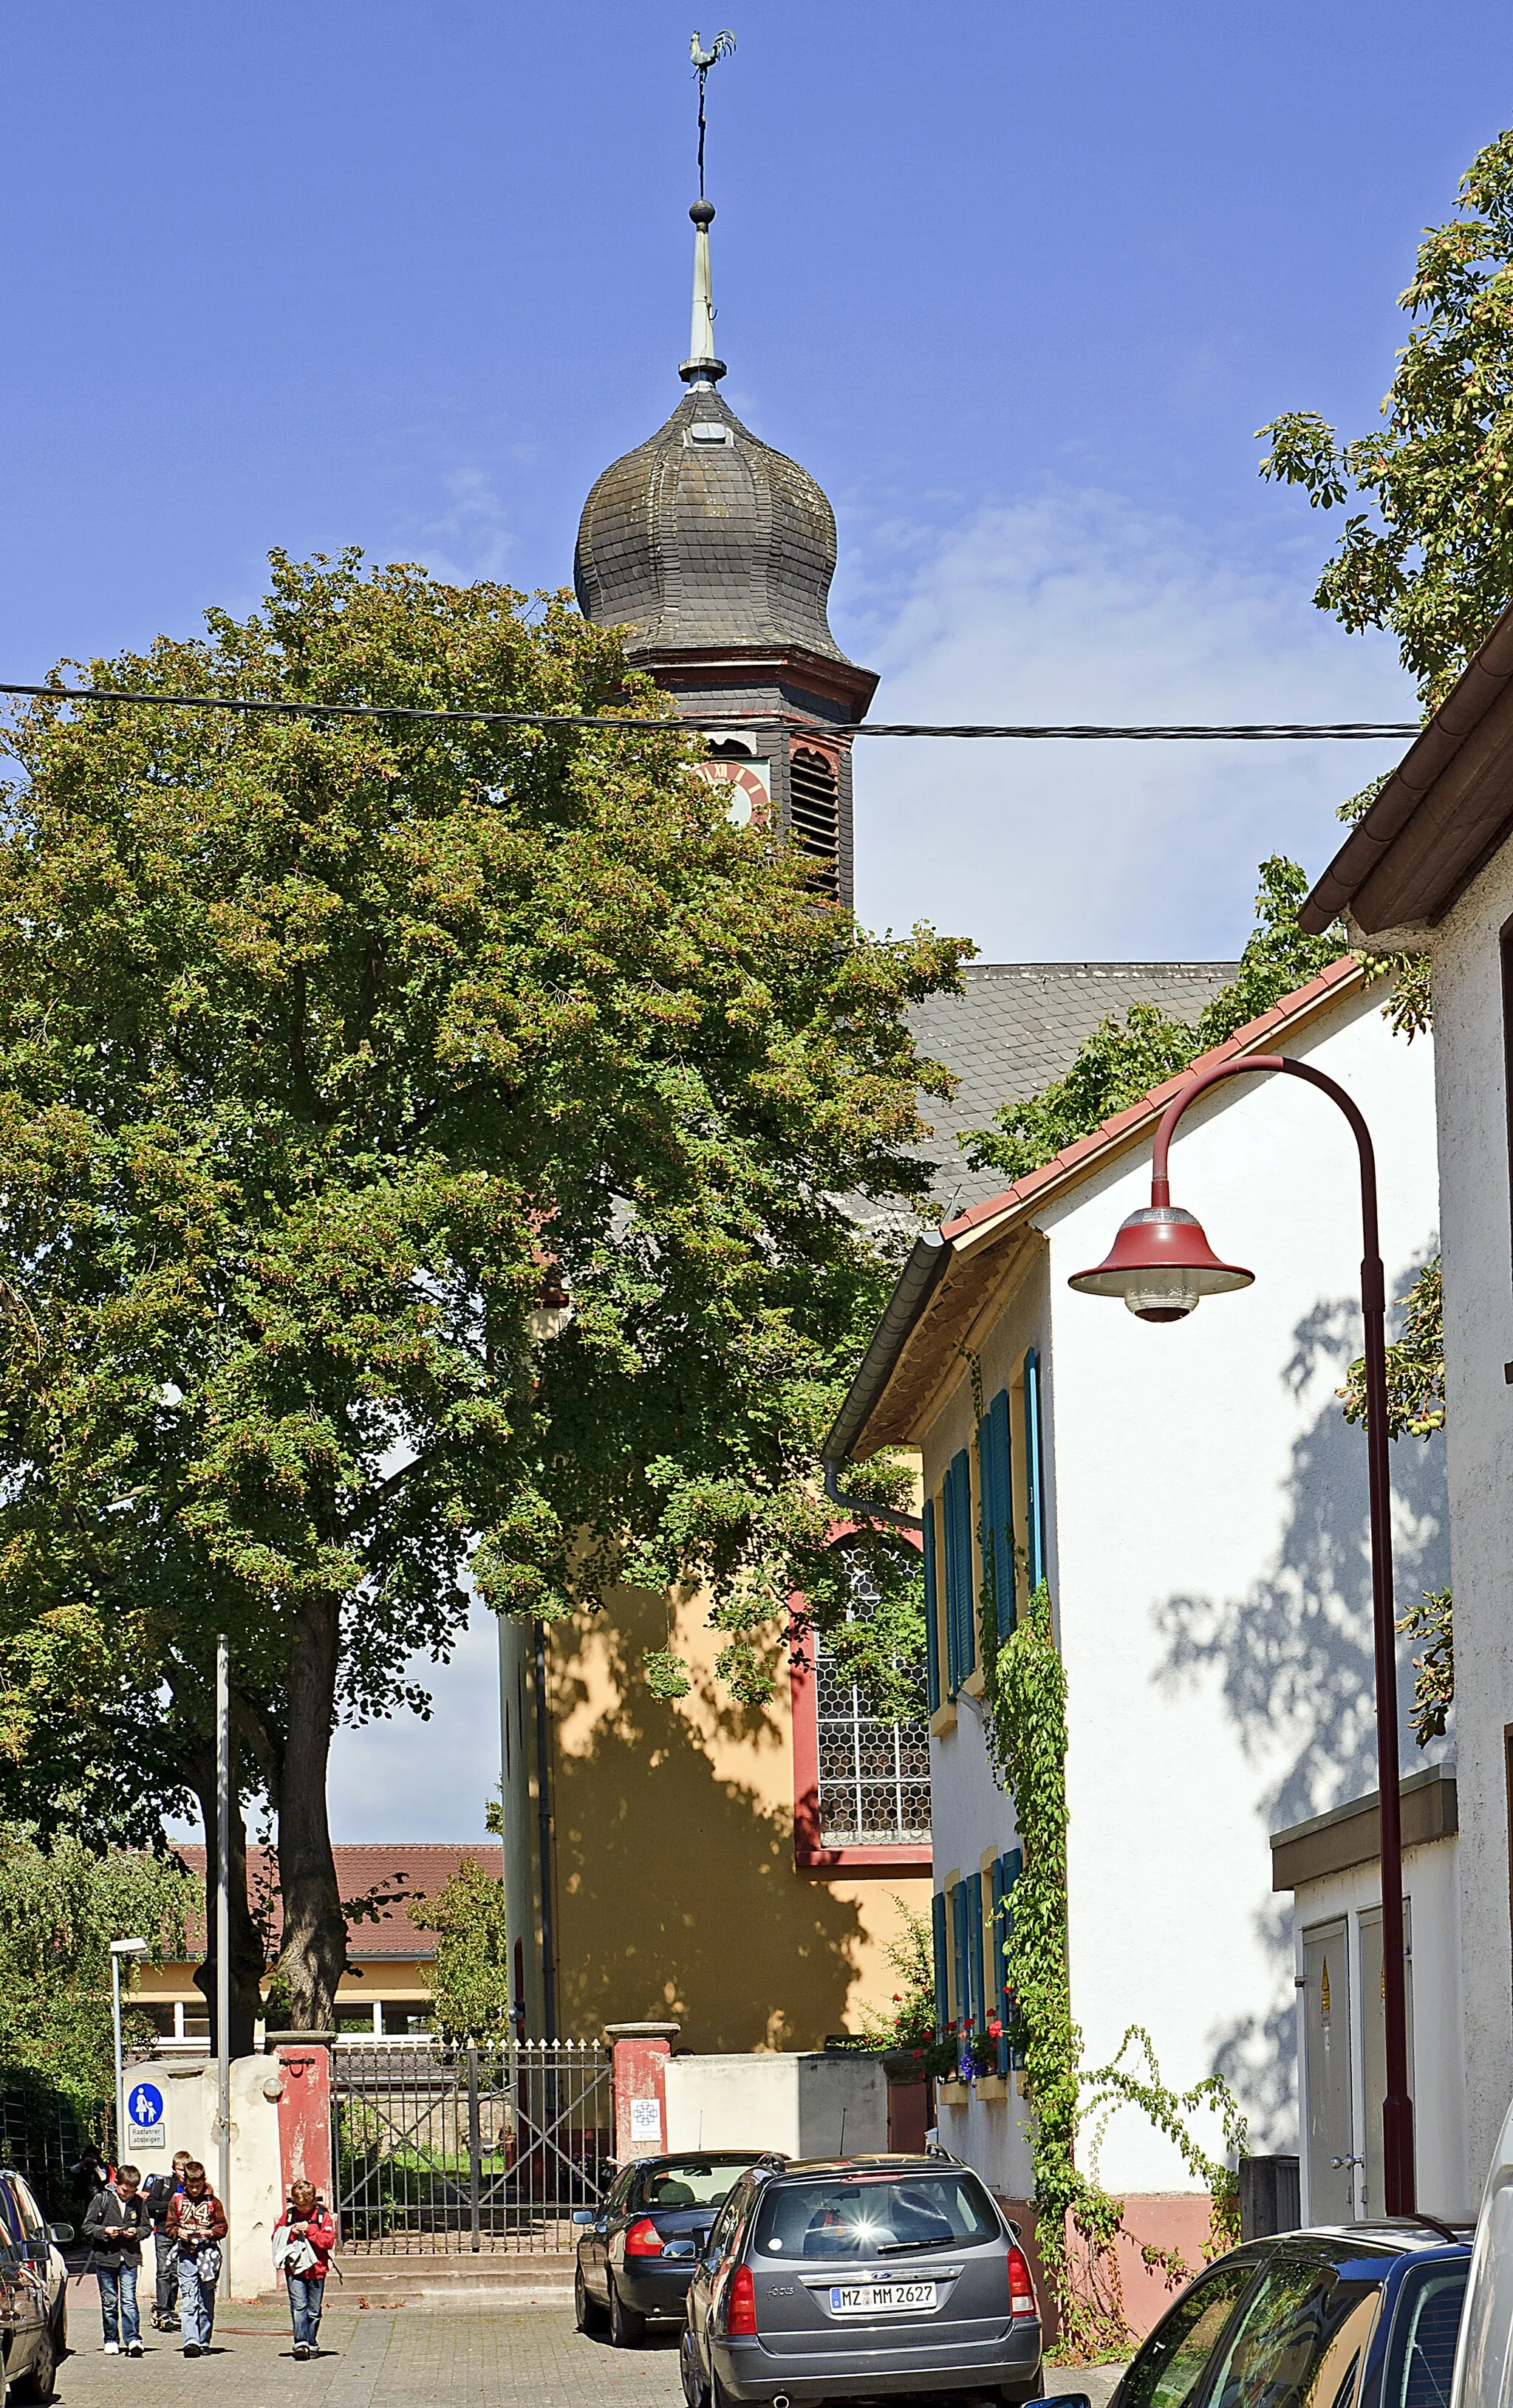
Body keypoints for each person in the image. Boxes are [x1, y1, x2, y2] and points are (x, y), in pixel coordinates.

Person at [83, 2162, 150, 2356]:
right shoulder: (101, 2199)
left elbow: (146, 2227)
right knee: (110, 2300)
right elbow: (87, 2226)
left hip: (129, 2257)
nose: (127, 2194)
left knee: (128, 2300)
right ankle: (111, 2338)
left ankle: (133, 2339)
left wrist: (136, 2232)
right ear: (116, 2183)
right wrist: (104, 2231)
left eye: (132, 2191)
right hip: (106, 2257)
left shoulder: (138, 2202)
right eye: (124, 2190)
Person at [165, 2159, 228, 2358]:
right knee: (189, 2298)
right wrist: (178, 2233)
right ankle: (190, 2341)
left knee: (206, 2299)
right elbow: (169, 2227)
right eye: (190, 2186)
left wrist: (208, 2233)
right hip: (186, 2255)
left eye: (197, 2186)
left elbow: (222, 2228)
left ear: (204, 2181)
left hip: (208, 2256)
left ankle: (204, 2340)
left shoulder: (213, 2202)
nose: (193, 2190)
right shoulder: (176, 2201)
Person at [272, 2179, 336, 2359]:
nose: (302, 2208)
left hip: (317, 2269)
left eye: (306, 2205)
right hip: (295, 2270)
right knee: (299, 2307)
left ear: (313, 2201)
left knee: (314, 2311)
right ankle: (301, 2343)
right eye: (298, 2204)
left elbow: (328, 2241)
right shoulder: (289, 2215)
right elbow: (276, 2237)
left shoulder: (323, 2215)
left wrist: (311, 2232)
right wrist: (291, 2232)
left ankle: (312, 2343)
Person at [143, 2150, 191, 2331]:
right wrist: (172, 2205)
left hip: (182, 2235)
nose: (184, 2174)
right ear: (174, 2169)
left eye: (186, 2170)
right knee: (164, 2271)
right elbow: (150, 2204)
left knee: (177, 2274)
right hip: (163, 2233)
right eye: (180, 2170)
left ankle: (169, 2308)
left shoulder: (191, 2188)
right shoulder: (164, 2184)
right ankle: (163, 2310)